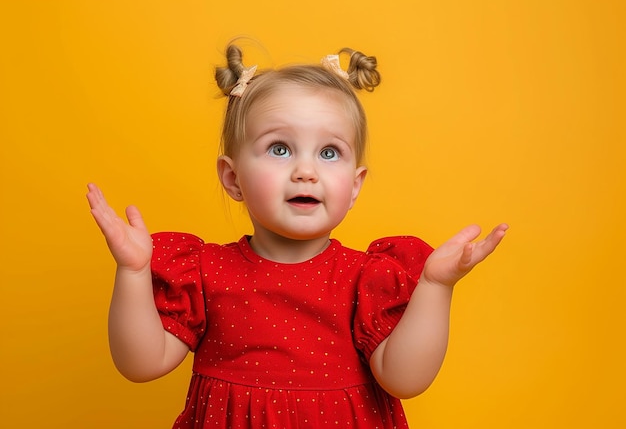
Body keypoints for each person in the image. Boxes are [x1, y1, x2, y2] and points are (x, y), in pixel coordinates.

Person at [87, 42, 508, 428]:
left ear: (355, 185)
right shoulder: (203, 270)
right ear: (232, 178)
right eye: (280, 148)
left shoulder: (367, 277)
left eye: (329, 153)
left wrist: (436, 285)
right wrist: (134, 272)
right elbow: (140, 364)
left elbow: (405, 379)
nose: (306, 171)